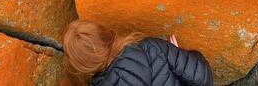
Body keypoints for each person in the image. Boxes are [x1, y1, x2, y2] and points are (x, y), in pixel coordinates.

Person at [63, 20, 214, 86]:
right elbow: (203, 78)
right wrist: (180, 54)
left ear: (83, 67)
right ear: (106, 34)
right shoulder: (150, 48)